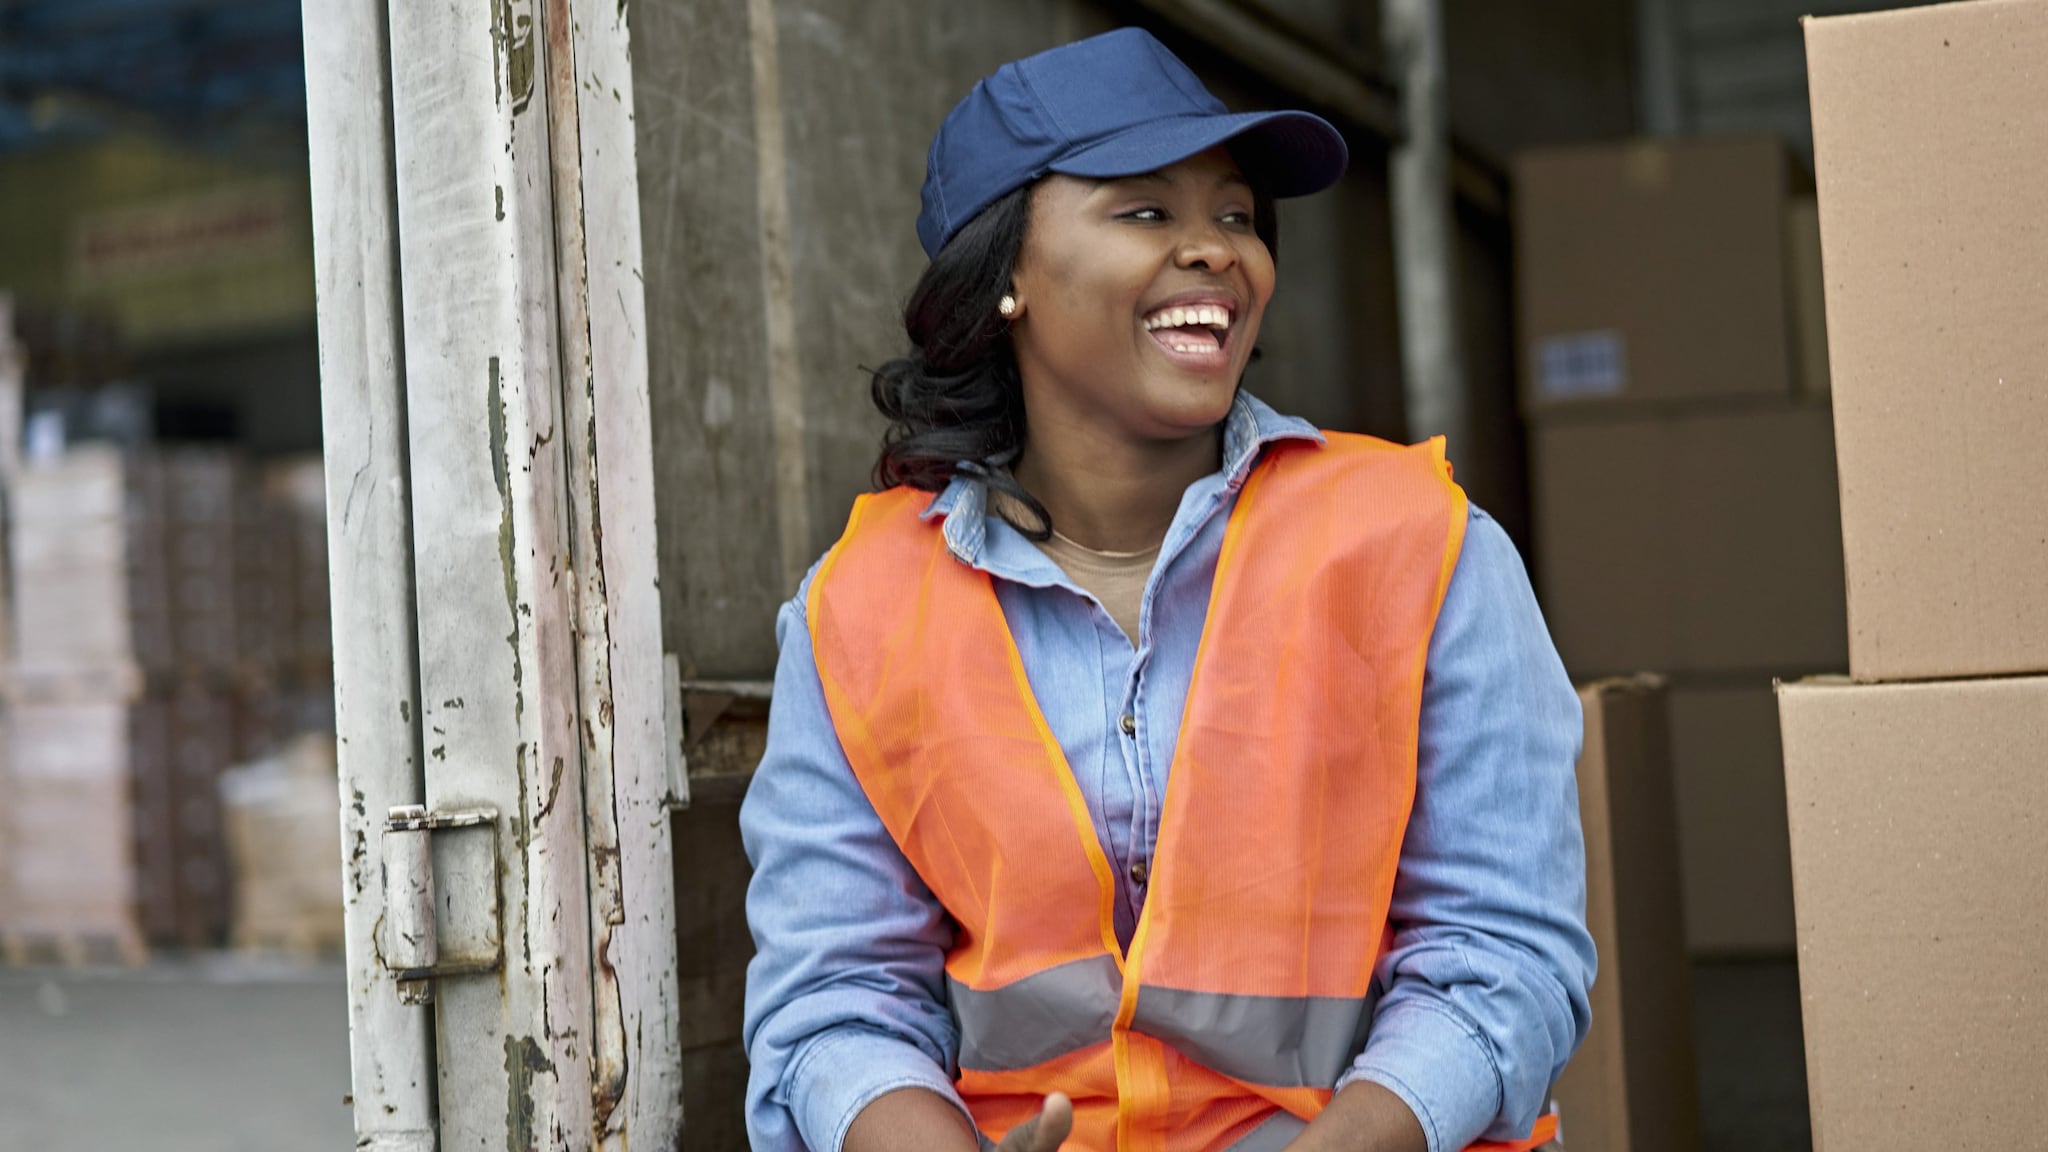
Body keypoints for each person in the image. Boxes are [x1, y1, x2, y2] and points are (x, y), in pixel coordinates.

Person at [740, 27, 1594, 1152]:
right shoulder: (857, 610)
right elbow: (833, 1002)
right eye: (1145, 210)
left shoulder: (1421, 547)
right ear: (1004, 279)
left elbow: (1503, 960)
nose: (1215, 251)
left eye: (1235, 215)